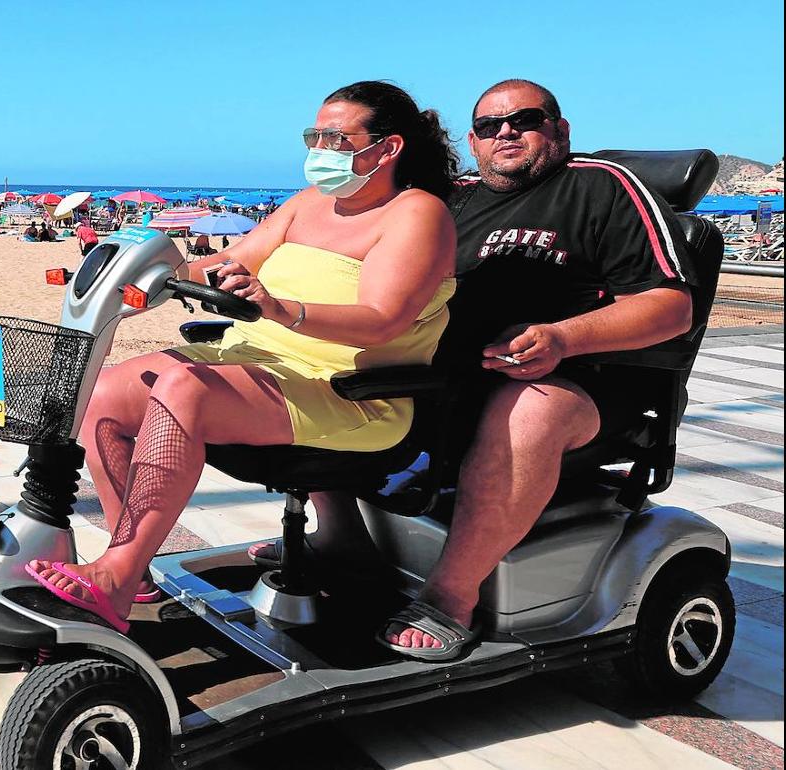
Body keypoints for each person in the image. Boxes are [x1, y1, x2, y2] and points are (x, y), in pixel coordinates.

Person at [249, 79, 697, 660]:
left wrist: (562, 336)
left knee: (526, 407)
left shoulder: (601, 188)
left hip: (580, 381)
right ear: (472, 140)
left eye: (524, 120)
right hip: (453, 376)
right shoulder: (447, 199)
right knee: (326, 366)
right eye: (488, 125)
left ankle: (451, 594)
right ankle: (339, 539)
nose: (505, 132)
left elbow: (673, 306)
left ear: (559, 130)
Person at [25, 80, 460, 632]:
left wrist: (281, 309)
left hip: (349, 390)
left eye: (336, 138)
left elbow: (385, 318)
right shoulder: (307, 205)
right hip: (259, 360)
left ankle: (114, 575)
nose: (320, 150)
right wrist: (140, 274)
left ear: (388, 147)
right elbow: (229, 262)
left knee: (183, 387)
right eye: (314, 136)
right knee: (104, 393)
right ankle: (129, 570)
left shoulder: (417, 215)